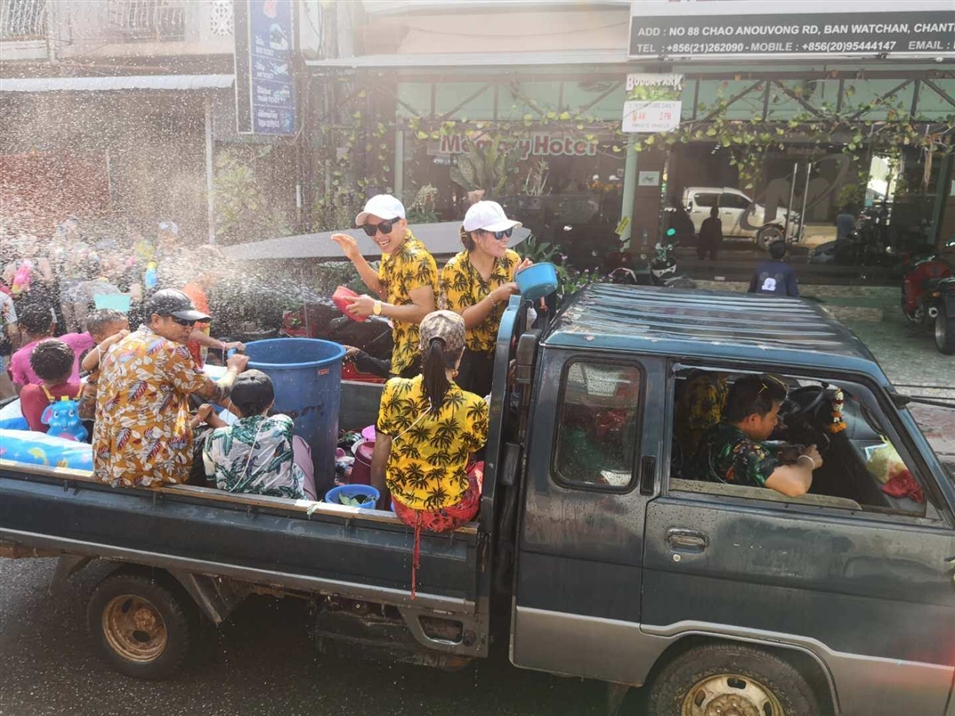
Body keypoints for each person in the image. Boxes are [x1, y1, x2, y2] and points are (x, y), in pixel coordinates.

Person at [371, 311, 489, 596]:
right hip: (449, 513)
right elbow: (474, 448)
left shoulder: (393, 389)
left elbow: (382, 446)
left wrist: (378, 500)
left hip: (403, 507)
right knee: (482, 467)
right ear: (460, 355)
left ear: (419, 348)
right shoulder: (473, 405)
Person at [93, 289, 250, 489]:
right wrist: (234, 368)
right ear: (156, 320)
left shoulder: (121, 344)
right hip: (149, 470)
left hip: (108, 465)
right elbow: (216, 392)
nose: (189, 328)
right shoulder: (169, 349)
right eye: (182, 321)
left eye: (191, 323)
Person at [332, 195, 438, 378]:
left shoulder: (414, 257)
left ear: (402, 223)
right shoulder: (392, 251)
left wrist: (376, 308)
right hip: (403, 349)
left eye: (385, 226)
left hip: (421, 356)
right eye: (371, 229)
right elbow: (383, 290)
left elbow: (425, 312)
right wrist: (356, 257)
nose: (378, 235)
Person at [440, 201, 532, 396]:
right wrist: (495, 296)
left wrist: (528, 282)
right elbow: (461, 321)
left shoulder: (511, 260)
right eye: (498, 233)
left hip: (503, 353)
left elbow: (522, 303)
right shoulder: (456, 268)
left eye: (507, 231)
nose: (505, 238)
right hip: (467, 358)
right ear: (476, 237)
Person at [692, 374, 822, 498]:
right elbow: (796, 486)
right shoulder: (745, 451)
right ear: (753, 419)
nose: (776, 422)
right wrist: (808, 460)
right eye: (773, 417)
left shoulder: (719, 430)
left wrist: (780, 452)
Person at [202, 369, 317, 501]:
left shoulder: (215, 437)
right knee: (298, 442)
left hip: (233, 506)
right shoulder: (283, 424)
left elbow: (211, 480)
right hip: (283, 505)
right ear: (271, 403)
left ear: (233, 404)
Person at [179, 246, 244, 368]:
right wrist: (224, 345)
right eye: (216, 272)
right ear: (207, 272)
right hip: (190, 364)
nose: (217, 278)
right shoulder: (195, 294)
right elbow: (192, 333)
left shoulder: (191, 289)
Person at [9, 303, 95, 392]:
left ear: (23, 328)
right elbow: (97, 333)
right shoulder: (70, 341)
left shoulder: (18, 357)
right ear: (53, 325)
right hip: (76, 395)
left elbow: (21, 388)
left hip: (43, 400)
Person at [77, 309, 131, 422]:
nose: (126, 334)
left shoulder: (128, 347)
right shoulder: (101, 351)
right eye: (118, 332)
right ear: (98, 338)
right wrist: (111, 340)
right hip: (96, 403)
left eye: (127, 329)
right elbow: (85, 365)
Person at [19, 340, 82, 434]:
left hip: (40, 442)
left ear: (34, 369)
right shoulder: (81, 391)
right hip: (76, 441)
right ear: (70, 369)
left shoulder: (26, 392)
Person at [0, 290, 18, 399]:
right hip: (2, 348)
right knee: (8, 393)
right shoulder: (3, 298)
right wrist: (14, 352)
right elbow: (13, 331)